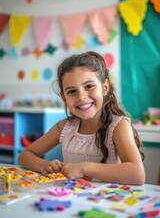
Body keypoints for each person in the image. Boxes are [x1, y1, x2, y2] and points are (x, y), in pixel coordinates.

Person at [18, 51, 145, 185]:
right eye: (72, 91)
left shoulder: (118, 126)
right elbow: (25, 155)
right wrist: (43, 165)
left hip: (107, 203)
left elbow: (137, 174)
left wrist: (84, 168)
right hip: (70, 200)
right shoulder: (65, 127)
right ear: (64, 97)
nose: (81, 97)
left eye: (89, 86)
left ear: (104, 87)